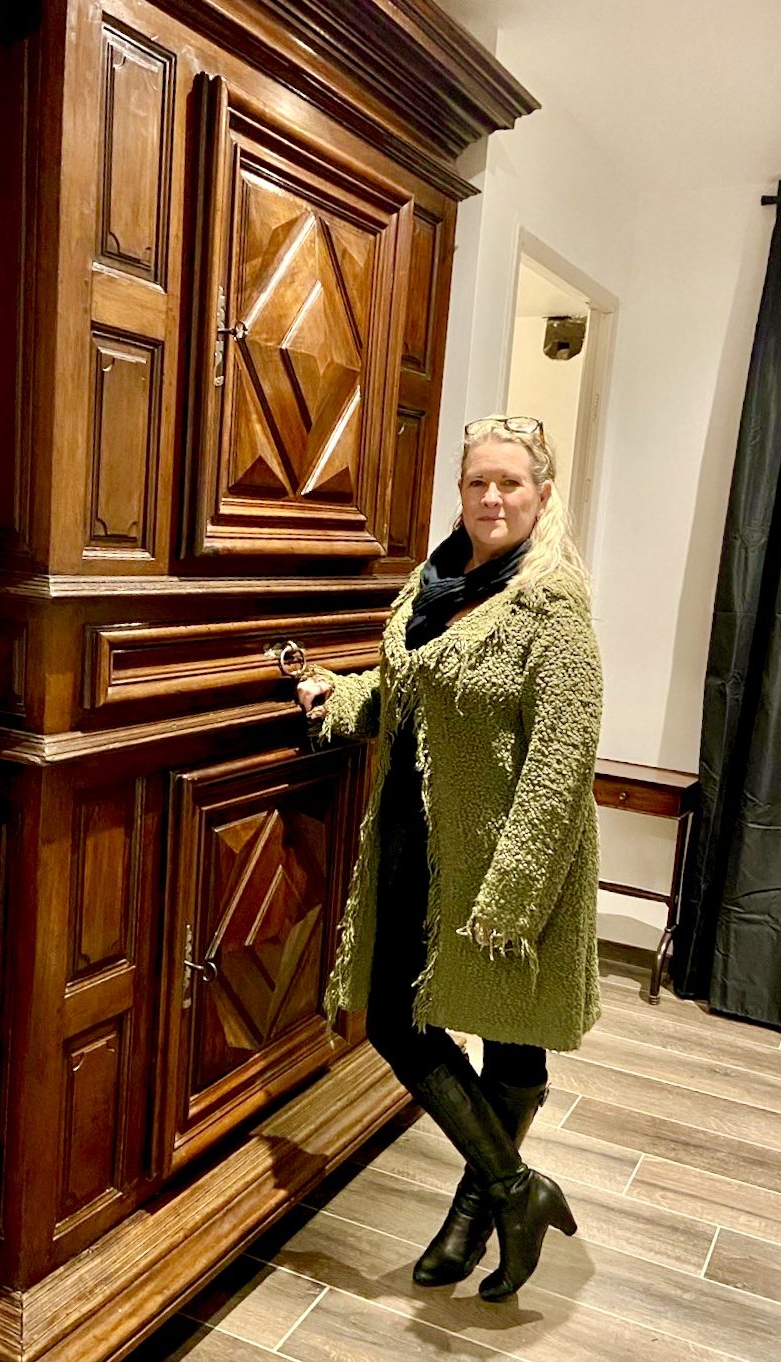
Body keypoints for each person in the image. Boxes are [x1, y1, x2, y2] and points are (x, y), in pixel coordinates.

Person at [296, 415, 602, 1302]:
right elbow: (413, 688)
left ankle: (475, 1214)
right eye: (478, 483)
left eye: (510, 483)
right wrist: (338, 695)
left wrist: (511, 897)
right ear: (460, 492)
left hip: (511, 860)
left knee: (512, 1048)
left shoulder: (552, 604)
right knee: (397, 1021)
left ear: (542, 495)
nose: (493, 498)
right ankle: (515, 1191)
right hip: (416, 843)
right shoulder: (435, 581)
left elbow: (560, 759)